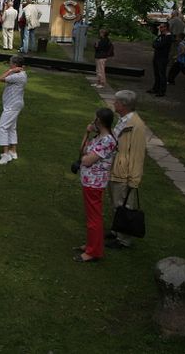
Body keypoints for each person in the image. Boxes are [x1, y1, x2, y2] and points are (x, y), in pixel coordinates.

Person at [73, 107, 118, 263]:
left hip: (94, 183)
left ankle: (93, 251)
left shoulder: (108, 141)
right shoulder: (99, 137)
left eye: (95, 118)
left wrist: (85, 157)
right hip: (89, 182)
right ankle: (91, 245)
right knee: (91, 216)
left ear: (99, 121)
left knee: (94, 218)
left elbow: (86, 160)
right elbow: (82, 150)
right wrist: (87, 133)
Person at [106, 90, 147, 249]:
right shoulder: (123, 120)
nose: (114, 104)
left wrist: (134, 180)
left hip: (124, 171)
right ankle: (116, 231)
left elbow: (137, 154)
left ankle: (124, 240)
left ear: (123, 105)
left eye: (116, 102)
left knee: (124, 204)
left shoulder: (136, 126)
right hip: (115, 165)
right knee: (115, 202)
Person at [0, 55, 27, 164]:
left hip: (12, 105)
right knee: (11, 127)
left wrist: (10, 70)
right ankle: (13, 151)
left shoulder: (17, 76)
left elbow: (0, 78)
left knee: (2, 127)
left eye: (10, 63)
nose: (9, 64)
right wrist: (12, 70)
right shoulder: (20, 74)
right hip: (14, 104)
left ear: (14, 65)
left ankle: (5, 155)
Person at [148, 22, 174, 97]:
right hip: (157, 56)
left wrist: (157, 45)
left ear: (166, 28)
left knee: (162, 74)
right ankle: (155, 88)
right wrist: (156, 44)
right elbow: (154, 43)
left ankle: (162, 91)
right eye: (160, 27)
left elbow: (160, 45)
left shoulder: (168, 37)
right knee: (156, 74)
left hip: (163, 58)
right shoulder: (161, 36)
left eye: (162, 27)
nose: (160, 28)